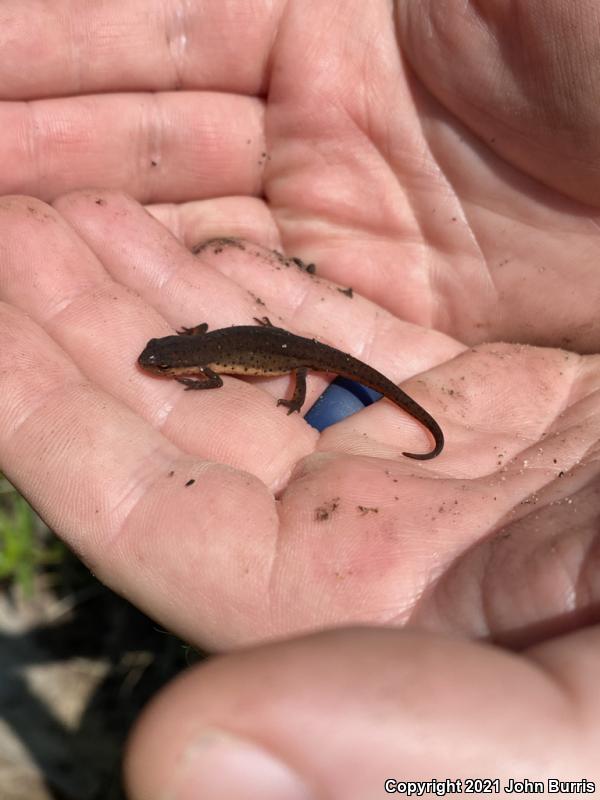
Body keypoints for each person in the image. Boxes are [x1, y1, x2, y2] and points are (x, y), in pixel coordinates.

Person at [1, 1, 598, 797]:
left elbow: (224, 362)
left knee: (331, 374)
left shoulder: (205, 367)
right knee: (327, 372)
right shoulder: (200, 351)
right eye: (163, 361)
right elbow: (210, 341)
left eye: (163, 362)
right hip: (286, 348)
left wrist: (285, 394)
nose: (160, 365)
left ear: (181, 363)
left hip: (294, 354)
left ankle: (355, 404)